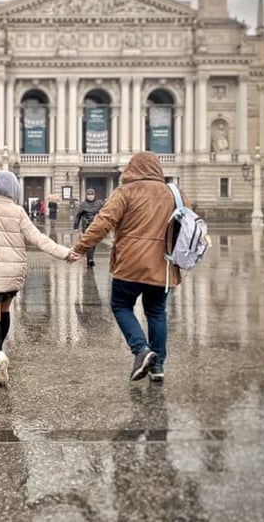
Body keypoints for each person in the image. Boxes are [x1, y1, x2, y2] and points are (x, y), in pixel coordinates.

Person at [69, 152, 190, 383]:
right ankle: (158, 366)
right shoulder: (174, 194)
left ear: (132, 169)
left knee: (121, 305)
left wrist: (81, 248)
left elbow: (103, 222)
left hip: (130, 264)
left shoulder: (125, 192)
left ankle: (141, 350)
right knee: (156, 312)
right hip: (163, 266)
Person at [0, 171, 75, 385]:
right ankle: (0, 351)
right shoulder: (18, 212)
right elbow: (38, 238)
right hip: (11, 271)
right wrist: (64, 253)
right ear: (14, 190)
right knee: (4, 310)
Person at [74, 188, 104, 267]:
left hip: (96, 225)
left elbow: (105, 212)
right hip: (86, 225)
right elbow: (78, 215)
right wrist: (76, 226)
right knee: (89, 242)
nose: (90, 196)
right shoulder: (83, 204)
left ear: (94, 195)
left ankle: (90, 258)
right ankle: (90, 259)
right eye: (89, 195)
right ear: (86, 195)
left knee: (93, 242)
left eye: (92, 195)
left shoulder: (100, 203)